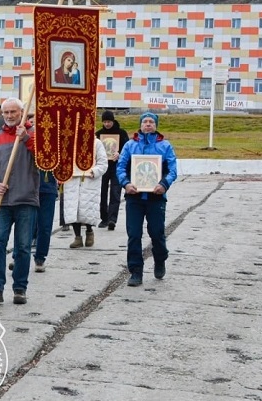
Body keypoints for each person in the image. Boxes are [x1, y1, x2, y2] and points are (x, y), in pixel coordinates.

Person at [0, 98, 39, 305]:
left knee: (23, 246)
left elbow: (43, 159)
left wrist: (26, 139)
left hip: (26, 199)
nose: (9, 116)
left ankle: (20, 288)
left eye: (13, 112)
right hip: (3, 200)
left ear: (22, 112)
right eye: (5, 112)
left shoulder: (33, 135)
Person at [116, 111, 178, 287]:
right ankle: (136, 271)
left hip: (155, 197)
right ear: (140, 125)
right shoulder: (130, 145)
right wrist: (126, 184)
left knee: (157, 233)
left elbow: (172, 170)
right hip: (134, 197)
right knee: (134, 234)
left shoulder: (165, 146)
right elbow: (120, 167)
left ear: (156, 125)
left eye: (151, 121)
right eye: (145, 121)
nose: (148, 124)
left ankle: (160, 258)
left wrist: (164, 184)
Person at [62, 137, 109, 248]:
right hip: (72, 180)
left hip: (89, 180)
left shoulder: (96, 143)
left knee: (86, 208)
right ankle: (77, 237)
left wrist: (94, 171)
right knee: (73, 209)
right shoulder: (69, 142)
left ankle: (89, 231)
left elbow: (103, 163)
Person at [95, 110, 130, 230]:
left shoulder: (121, 133)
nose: (107, 124)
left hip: (117, 166)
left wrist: (119, 154)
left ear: (113, 120)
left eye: (109, 121)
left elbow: (127, 149)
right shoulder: (98, 134)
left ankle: (112, 219)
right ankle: (104, 218)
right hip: (103, 166)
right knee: (102, 192)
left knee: (115, 192)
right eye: (105, 122)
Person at [34, 169, 58, 272]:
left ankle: (40, 258)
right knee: (25, 225)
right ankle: (18, 256)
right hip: (28, 187)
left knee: (45, 225)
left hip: (48, 187)